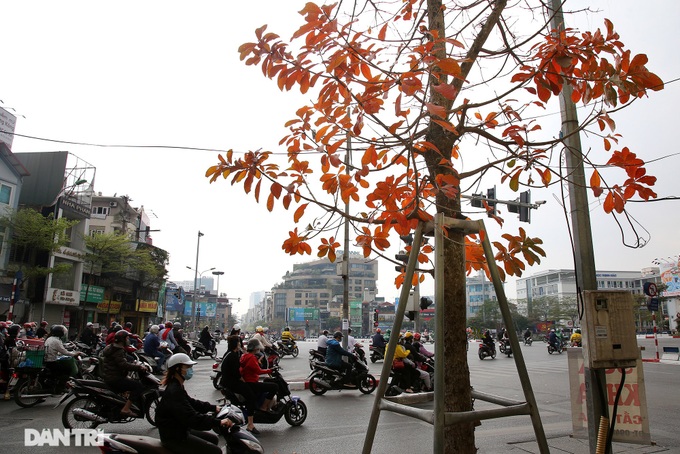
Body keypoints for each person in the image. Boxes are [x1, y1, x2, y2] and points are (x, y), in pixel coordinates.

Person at [156, 353, 232, 454]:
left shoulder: (177, 386)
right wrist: (218, 422)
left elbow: (191, 402)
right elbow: (191, 417)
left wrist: (214, 408)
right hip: (174, 436)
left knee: (213, 439)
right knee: (215, 451)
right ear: (177, 369)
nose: (190, 370)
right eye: (187, 367)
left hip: (180, 428)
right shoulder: (174, 391)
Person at [101, 330, 149, 417]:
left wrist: (133, 362)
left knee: (129, 381)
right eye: (127, 338)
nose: (128, 340)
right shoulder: (118, 350)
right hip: (115, 378)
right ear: (122, 339)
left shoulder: (112, 347)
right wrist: (139, 367)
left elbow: (124, 360)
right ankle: (126, 409)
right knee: (138, 386)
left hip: (109, 376)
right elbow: (123, 365)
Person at [219, 335, 258, 433]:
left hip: (226, 382)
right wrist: (244, 381)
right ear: (236, 344)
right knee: (251, 397)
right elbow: (237, 373)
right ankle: (250, 424)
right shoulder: (233, 356)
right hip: (232, 383)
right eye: (239, 342)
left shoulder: (229, 353)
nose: (240, 344)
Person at [240, 338, 279, 413]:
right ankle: (264, 407)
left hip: (247, 382)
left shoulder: (244, 356)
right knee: (274, 387)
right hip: (252, 383)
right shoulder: (252, 358)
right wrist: (270, 370)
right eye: (257, 347)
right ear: (255, 348)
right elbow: (258, 371)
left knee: (266, 382)